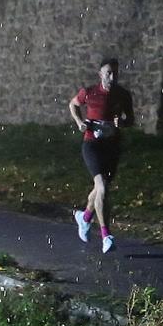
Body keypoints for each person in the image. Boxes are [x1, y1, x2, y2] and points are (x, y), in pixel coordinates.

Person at [67, 57, 134, 253]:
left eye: (115, 73)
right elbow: (73, 104)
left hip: (112, 146)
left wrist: (122, 123)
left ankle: (85, 217)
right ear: (100, 75)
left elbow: (130, 119)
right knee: (102, 187)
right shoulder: (89, 92)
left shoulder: (123, 95)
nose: (112, 77)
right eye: (108, 73)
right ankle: (106, 236)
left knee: (99, 190)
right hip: (92, 145)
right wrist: (79, 123)